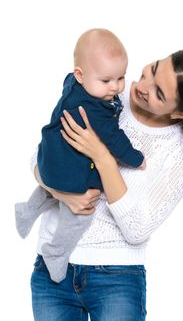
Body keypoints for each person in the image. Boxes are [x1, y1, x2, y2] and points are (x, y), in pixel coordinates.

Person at [30, 47, 183, 321]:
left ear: (181, 114)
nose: (144, 85)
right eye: (154, 69)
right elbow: (38, 161)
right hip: (52, 269)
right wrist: (62, 194)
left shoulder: (182, 152)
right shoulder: (103, 92)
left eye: (160, 94)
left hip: (117, 278)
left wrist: (103, 158)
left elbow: (137, 229)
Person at [15, 28, 145, 283]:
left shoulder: (72, 84)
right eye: (106, 80)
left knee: (48, 187)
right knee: (80, 214)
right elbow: (114, 139)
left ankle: (26, 212)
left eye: (121, 77)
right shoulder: (93, 110)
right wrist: (136, 158)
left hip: (49, 157)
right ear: (80, 74)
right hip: (69, 167)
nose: (116, 87)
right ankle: (56, 251)